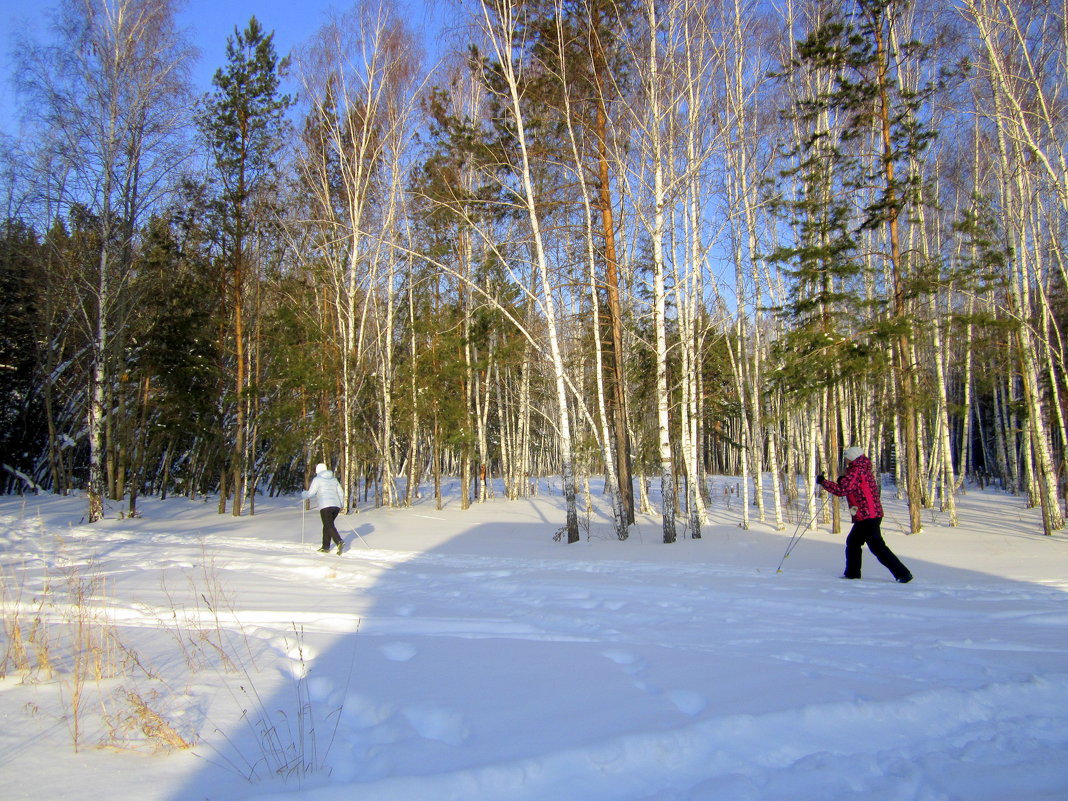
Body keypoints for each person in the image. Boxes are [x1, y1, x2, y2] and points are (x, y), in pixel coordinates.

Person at [817, 446, 912, 583]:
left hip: (867, 515)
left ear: (853, 457)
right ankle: (852, 574)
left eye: (847, 457)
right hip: (869, 514)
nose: (846, 460)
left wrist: (823, 482)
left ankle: (903, 574)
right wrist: (842, 479)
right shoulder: (862, 469)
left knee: (876, 547)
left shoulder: (857, 470)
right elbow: (852, 486)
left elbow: (843, 490)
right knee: (854, 542)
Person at [303, 463, 345, 555]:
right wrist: (341, 504)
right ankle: (325, 547)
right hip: (336, 506)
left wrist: (304, 494)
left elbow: (311, 493)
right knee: (327, 525)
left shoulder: (317, 479)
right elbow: (341, 493)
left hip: (325, 505)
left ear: (318, 470)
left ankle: (339, 541)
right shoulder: (334, 480)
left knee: (328, 525)